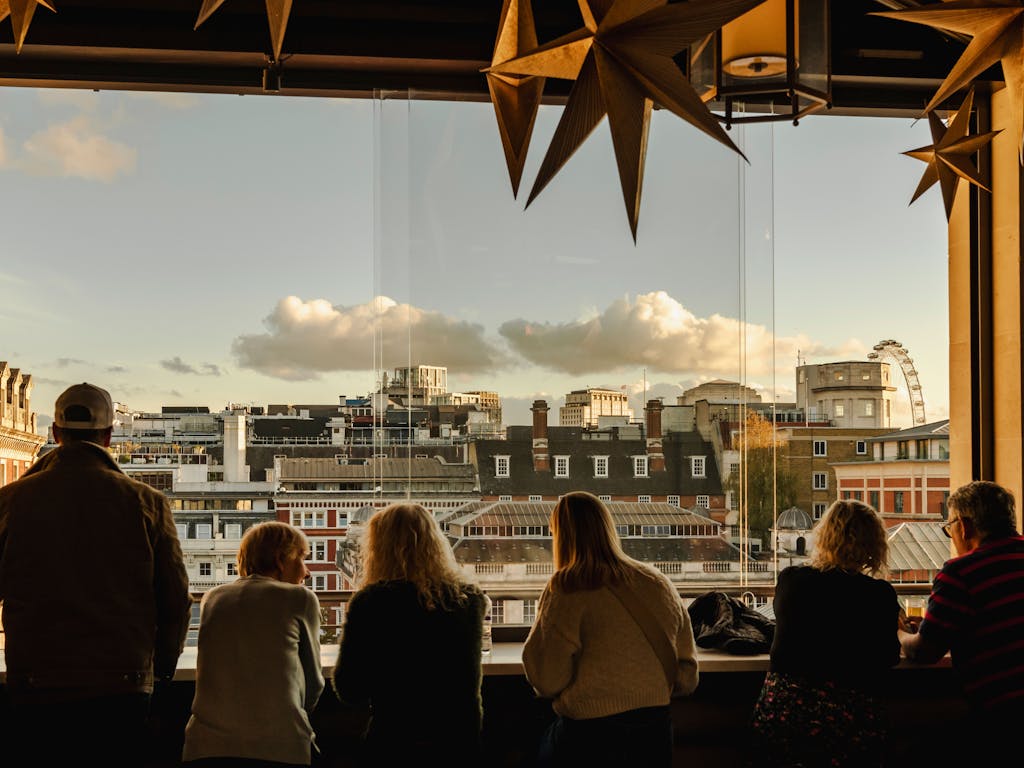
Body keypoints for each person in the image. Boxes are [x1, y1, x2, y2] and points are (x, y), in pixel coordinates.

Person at [0, 382, 191, 768]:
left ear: (55, 433)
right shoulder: (146, 502)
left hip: (36, 684)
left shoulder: (11, 501)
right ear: (109, 435)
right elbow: (175, 602)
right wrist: (162, 674)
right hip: (122, 686)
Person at [522, 491, 699, 768]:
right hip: (654, 733)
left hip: (591, 736)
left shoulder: (567, 587)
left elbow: (546, 680)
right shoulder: (657, 582)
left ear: (561, 536)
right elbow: (687, 676)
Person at [333, 502, 487, 767]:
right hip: (459, 741)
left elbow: (350, 688)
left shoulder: (372, 602)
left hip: (395, 740)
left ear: (379, 549)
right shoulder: (470, 600)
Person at [749, 499, 900, 767]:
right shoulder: (879, 595)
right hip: (846, 721)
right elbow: (887, 657)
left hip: (783, 715)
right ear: (873, 544)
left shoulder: (791, 580)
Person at [898, 480, 1024, 760]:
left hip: (1003, 720)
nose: (951, 535)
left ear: (964, 526)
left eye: (949, 527)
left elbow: (924, 651)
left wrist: (901, 634)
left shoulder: (962, 572)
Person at [182, 521, 325, 767]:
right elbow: (313, 683)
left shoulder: (212, 598)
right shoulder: (300, 598)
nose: (307, 571)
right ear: (281, 560)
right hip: (278, 747)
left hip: (204, 746)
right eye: (302, 559)